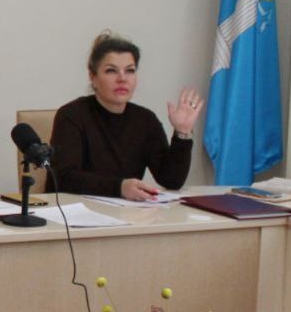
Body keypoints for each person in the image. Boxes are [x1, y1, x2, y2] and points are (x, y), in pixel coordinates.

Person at [49, 32, 202, 200]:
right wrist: (119, 187)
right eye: (111, 71)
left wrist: (182, 133)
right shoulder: (72, 115)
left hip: (127, 212)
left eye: (130, 70)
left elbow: (171, 180)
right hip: (74, 210)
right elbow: (64, 178)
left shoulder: (145, 120)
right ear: (93, 77)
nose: (122, 79)